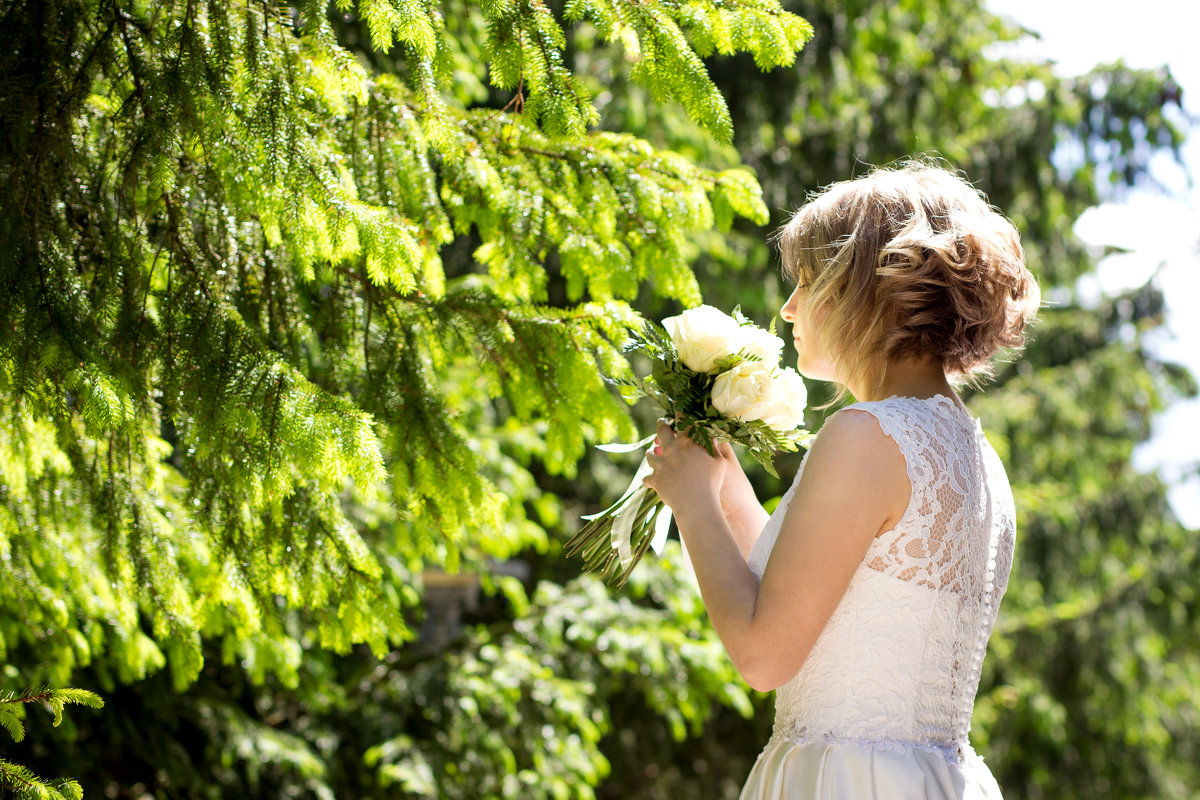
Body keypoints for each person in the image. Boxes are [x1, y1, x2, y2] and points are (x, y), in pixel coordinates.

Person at [643, 162, 1040, 799]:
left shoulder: (868, 434)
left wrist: (691, 506)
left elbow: (764, 655)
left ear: (868, 290)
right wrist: (719, 482)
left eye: (807, 282)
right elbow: (807, 591)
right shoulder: (970, 453)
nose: (788, 308)